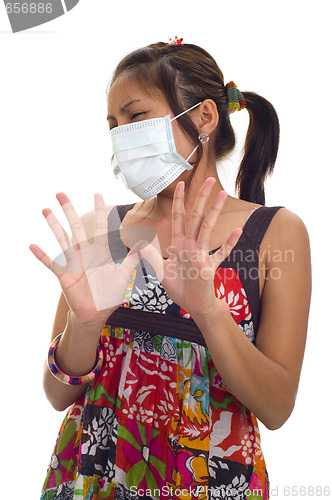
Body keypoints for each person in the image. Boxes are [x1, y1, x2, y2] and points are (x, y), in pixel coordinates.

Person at [30, 39, 311, 500]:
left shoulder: (276, 233)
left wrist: (209, 311)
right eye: (113, 125)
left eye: (136, 117)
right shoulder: (100, 229)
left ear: (203, 117)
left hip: (208, 483)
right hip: (92, 480)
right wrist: (84, 326)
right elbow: (58, 395)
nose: (122, 135)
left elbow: (277, 408)